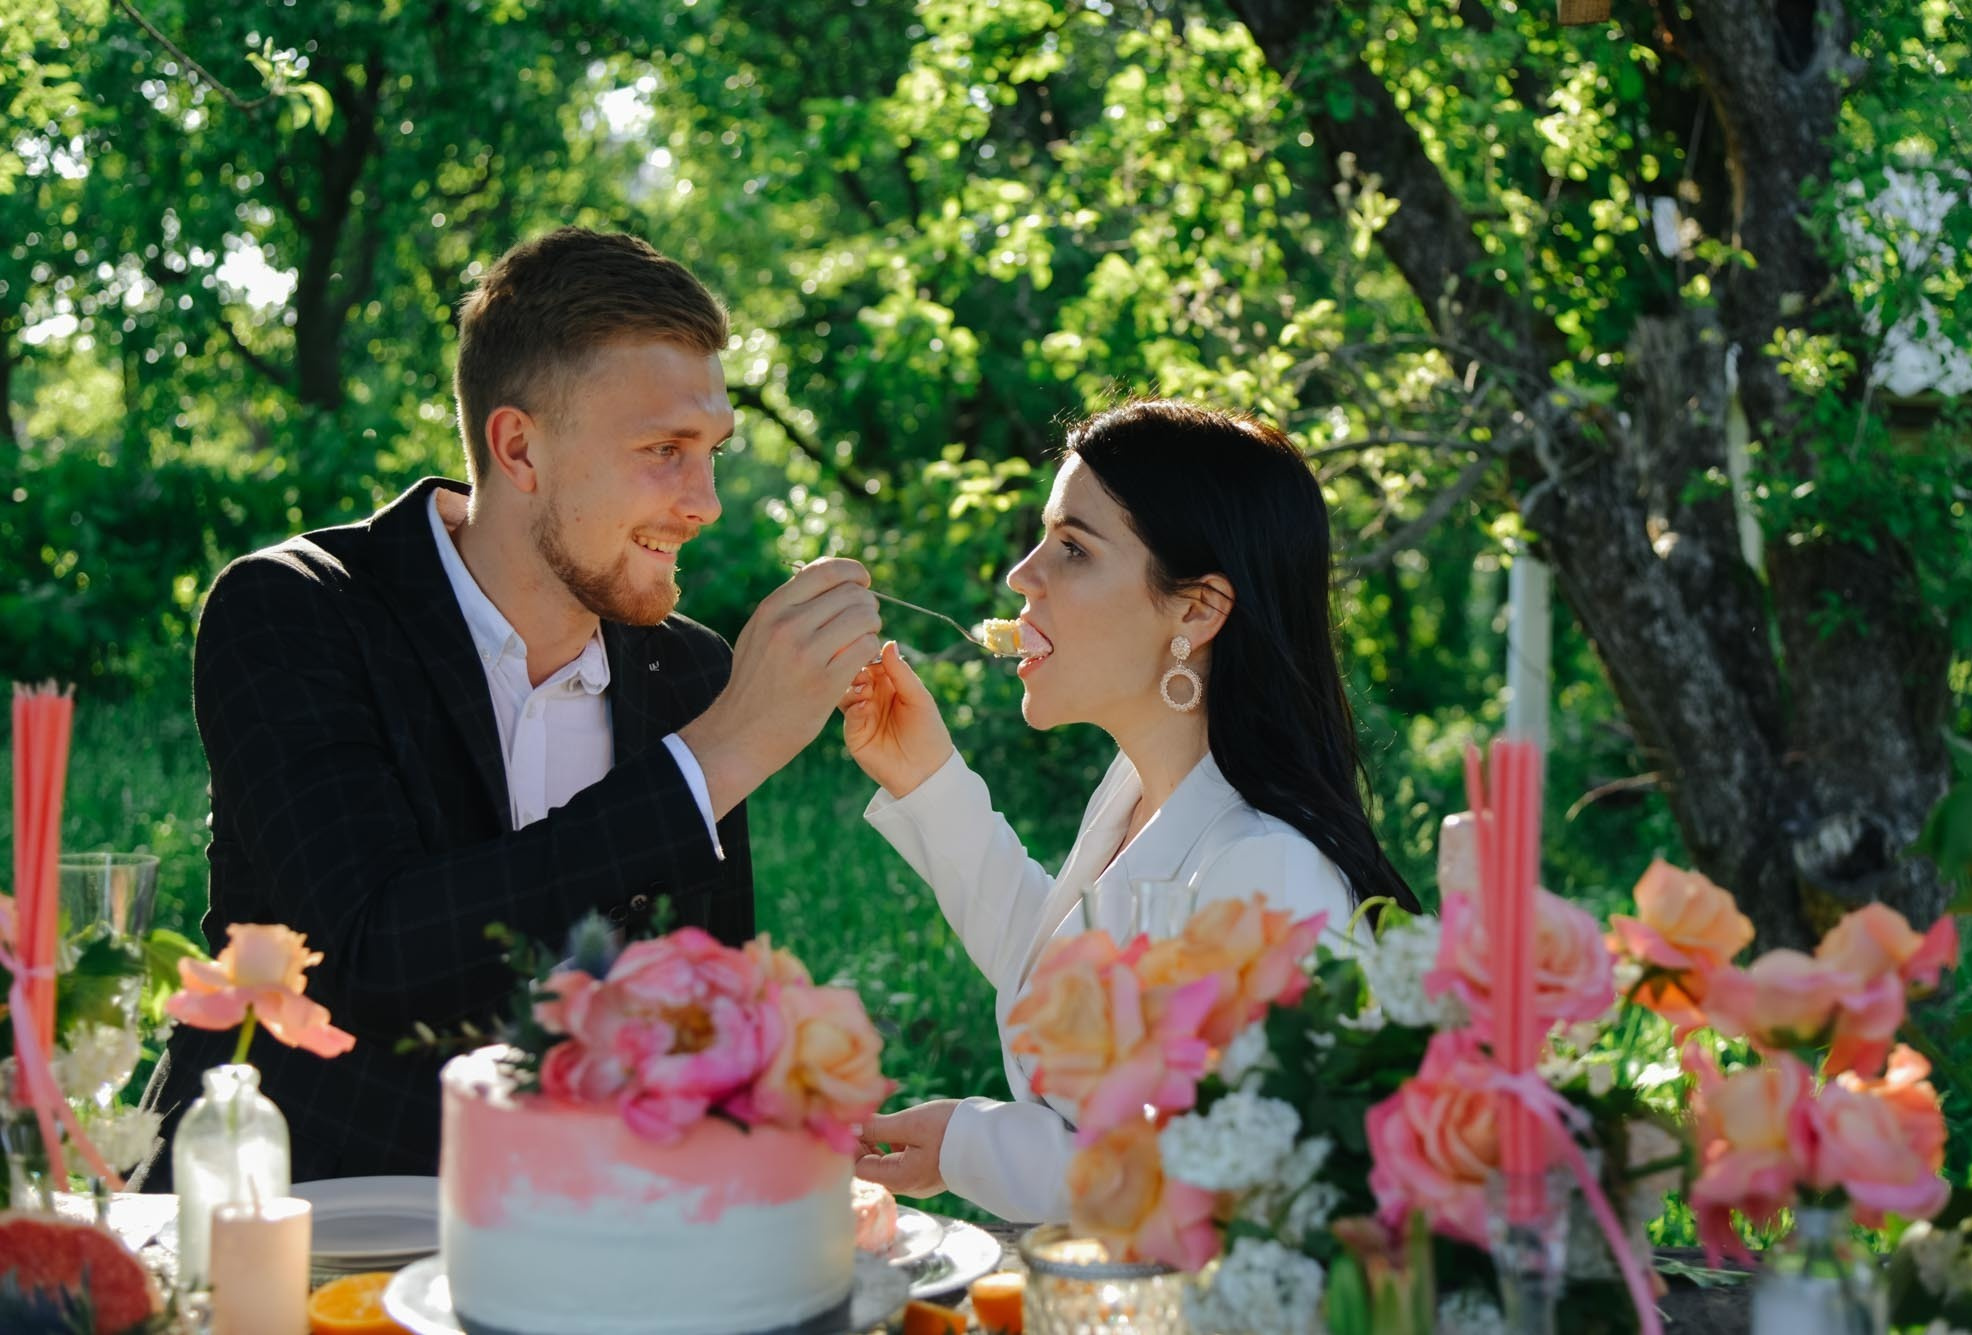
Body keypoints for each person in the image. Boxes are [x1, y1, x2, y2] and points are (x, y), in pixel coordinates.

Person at [141, 227, 881, 1183]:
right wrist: (716, 759)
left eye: (712, 453)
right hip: (289, 1214)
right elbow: (365, 957)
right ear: (519, 446)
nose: (705, 503)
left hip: (567, 1236)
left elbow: (701, 1012)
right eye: (664, 450)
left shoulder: (689, 675)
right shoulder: (295, 610)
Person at [840, 399, 1417, 1222]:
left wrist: (974, 1145)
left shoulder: (1266, 870)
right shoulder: (1140, 788)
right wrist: (926, 778)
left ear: (1196, 610)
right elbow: (1056, 981)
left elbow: (1215, 1195)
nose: (1021, 575)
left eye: (1073, 548)